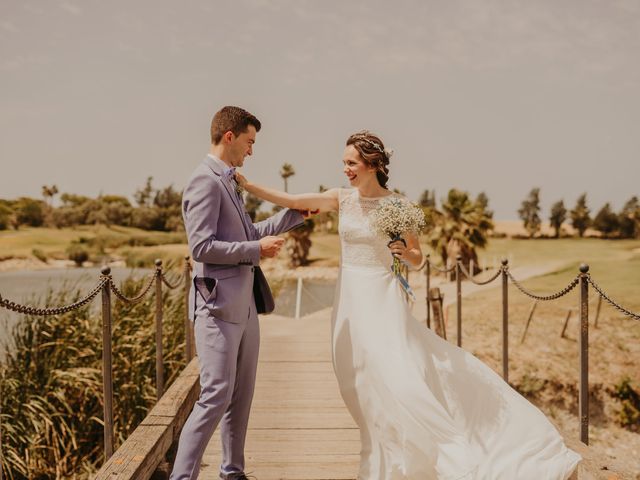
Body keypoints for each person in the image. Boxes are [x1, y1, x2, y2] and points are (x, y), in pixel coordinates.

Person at [234, 130, 581, 479]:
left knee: (394, 374)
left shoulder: (398, 206)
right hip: (350, 297)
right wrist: (249, 186)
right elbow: (292, 200)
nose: (346, 169)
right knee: (356, 378)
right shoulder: (341, 198)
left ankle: (416, 455)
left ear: (372, 165)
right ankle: (378, 453)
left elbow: (417, 258)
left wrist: (405, 253)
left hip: (382, 297)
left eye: (351, 163)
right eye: (344, 163)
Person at [170, 106, 305, 480]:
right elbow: (201, 247)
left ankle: (233, 472)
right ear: (229, 137)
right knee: (215, 397)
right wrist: (256, 251)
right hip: (216, 307)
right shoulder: (205, 181)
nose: (251, 150)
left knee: (241, 398)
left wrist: (298, 214)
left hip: (245, 308)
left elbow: (247, 233)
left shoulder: (229, 181)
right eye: (249, 141)